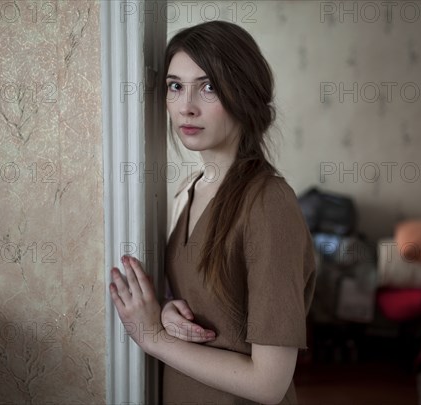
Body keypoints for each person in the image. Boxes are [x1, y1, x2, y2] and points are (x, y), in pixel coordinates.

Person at [110, 20, 317, 404]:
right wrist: (170, 314)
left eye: (208, 87)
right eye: (175, 86)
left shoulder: (268, 202)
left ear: (245, 94)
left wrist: (152, 336)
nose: (186, 107)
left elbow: (269, 384)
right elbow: (207, 304)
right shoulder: (186, 192)